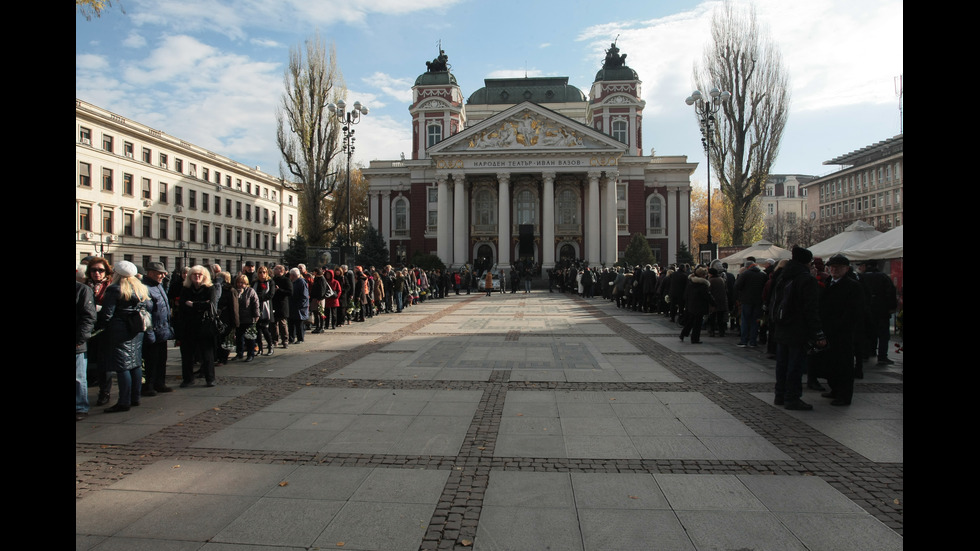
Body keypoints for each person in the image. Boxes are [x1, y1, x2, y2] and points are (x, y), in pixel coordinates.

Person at [772, 246, 826, 411]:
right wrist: (818, 333)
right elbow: (811, 309)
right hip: (798, 328)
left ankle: (780, 395)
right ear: (807, 262)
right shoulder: (806, 279)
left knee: (782, 363)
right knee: (795, 365)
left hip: (782, 326)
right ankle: (792, 397)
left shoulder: (783, 276)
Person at [95, 260, 152, 412]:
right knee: (135, 363)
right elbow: (149, 306)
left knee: (122, 367)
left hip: (119, 331)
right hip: (136, 330)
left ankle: (124, 401)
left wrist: (100, 322)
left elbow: (107, 314)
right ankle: (135, 397)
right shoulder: (140, 288)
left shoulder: (115, 289)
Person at [817, 254, 865, 406]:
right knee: (831, 362)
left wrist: (841, 325)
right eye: (831, 267)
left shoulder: (852, 285)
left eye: (837, 267)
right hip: (829, 329)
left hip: (843, 331)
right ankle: (835, 389)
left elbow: (854, 311)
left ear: (846, 269)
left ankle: (844, 395)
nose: (833, 270)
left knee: (844, 364)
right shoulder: (829, 282)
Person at [175, 265, 218, 388]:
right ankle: (188, 379)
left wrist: (193, 304)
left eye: (200, 274)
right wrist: (201, 304)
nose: (197, 276)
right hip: (188, 325)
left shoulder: (210, 289)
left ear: (205, 276)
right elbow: (182, 305)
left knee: (207, 354)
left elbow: (212, 305)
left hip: (205, 325)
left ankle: (210, 378)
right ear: (190, 276)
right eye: (194, 274)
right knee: (187, 354)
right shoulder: (186, 289)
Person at [84, 257, 114, 406]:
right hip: (86, 329)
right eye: (93, 270)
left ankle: (105, 392)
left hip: (104, 329)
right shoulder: (84, 286)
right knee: (88, 361)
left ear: (106, 271)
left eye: (100, 270)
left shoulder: (110, 286)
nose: (97, 273)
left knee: (104, 363)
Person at [857, 260, 898, 366]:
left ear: (866, 266)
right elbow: (891, 292)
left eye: (861, 266)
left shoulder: (861, 277)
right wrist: (892, 307)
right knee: (883, 335)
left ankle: (866, 353)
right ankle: (882, 356)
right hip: (882, 311)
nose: (860, 268)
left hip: (866, 311)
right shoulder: (883, 277)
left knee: (867, 333)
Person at [141, 262, 174, 396]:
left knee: (161, 359)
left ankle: (160, 383)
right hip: (153, 330)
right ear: (151, 273)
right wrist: (149, 332)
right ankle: (149, 385)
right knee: (151, 361)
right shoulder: (146, 287)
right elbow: (146, 313)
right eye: (160, 273)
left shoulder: (159, 285)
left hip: (162, 330)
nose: (163, 275)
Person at [734, 257, 768, 347]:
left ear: (746, 267)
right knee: (755, 321)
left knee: (745, 320)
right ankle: (753, 341)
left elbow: (737, 286)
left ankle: (744, 340)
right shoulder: (763, 274)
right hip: (758, 301)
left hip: (746, 300)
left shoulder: (745, 274)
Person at [76, 280, 96, 421]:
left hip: (77, 342)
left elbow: (89, 317)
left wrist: (80, 339)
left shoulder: (82, 290)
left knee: (78, 377)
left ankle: (80, 407)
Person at [679, 267, 711, 344]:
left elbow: (686, 294)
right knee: (697, 323)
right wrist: (713, 303)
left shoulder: (691, 282)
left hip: (691, 305)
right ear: (703, 275)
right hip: (699, 305)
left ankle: (683, 334)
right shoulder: (703, 285)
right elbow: (707, 296)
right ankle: (695, 339)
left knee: (690, 321)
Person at [232, 274, 260, 362]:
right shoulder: (234, 291)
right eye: (239, 282)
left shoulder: (250, 291)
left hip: (249, 318)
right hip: (238, 318)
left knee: (250, 337)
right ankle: (239, 353)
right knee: (239, 337)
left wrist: (256, 315)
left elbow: (255, 303)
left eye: (243, 283)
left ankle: (250, 354)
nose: (241, 284)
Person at [251, 265, 276, 355]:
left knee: (265, 329)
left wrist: (260, 297)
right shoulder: (255, 283)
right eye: (260, 272)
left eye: (264, 272)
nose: (262, 274)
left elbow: (271, 294)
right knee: (257, 330)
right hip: (256, 308)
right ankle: (260, 348)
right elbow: (252, 293)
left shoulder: (270, 282)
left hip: (266, 308)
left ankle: (270, 346)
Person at [272, 265, 292, 347]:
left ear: (281, 271)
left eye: (276, 269)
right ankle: (275, 340)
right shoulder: (273, 280)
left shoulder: (286, 280)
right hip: (274, 303)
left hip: (282, 304)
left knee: (282, 323)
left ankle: (285, 340)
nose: (274, 270)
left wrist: (279, 290)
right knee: (274, 323)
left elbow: (290, 292)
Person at [288, 267, 309, 342]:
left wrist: (300, 305)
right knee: (291, 323)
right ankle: (291, 338)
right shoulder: (293, 282)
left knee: (299, 324)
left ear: (293, 275)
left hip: (299, 307)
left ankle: (300, 338)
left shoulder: (301, 282)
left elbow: (304, 296)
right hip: (292, 305)